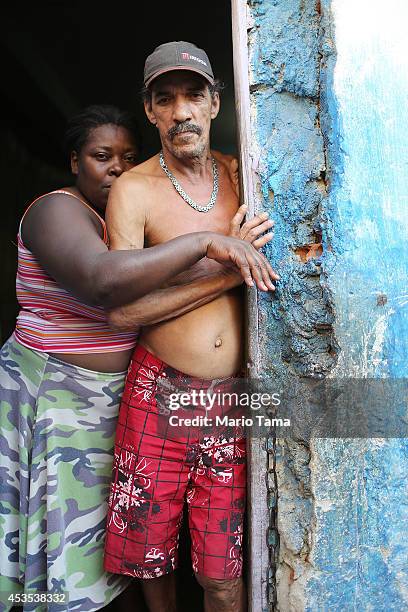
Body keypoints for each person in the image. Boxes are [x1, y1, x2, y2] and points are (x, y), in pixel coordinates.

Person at [0, 104, 274, 612]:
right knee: (68, 538)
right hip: (53, 404)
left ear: (215, 103)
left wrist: (226, 265)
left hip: (112, 403)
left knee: (106, 544)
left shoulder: (134, 217)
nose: (118, 169)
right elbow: (108, 288)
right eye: (101, 157)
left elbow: (162, 289)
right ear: (73, 162)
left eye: (127, 157)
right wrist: (212, 246)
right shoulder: (56, 212)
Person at [103, 42, 279, 612]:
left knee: (222, 574)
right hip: (158, 392)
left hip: (232, 404)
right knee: (151, 562)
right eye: (165, 98)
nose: (181, 111)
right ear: (150, 111)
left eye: (193, 95)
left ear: (215, 104)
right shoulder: (134, 191)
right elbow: (122, 311)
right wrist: (226, 273)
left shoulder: (239, 175)